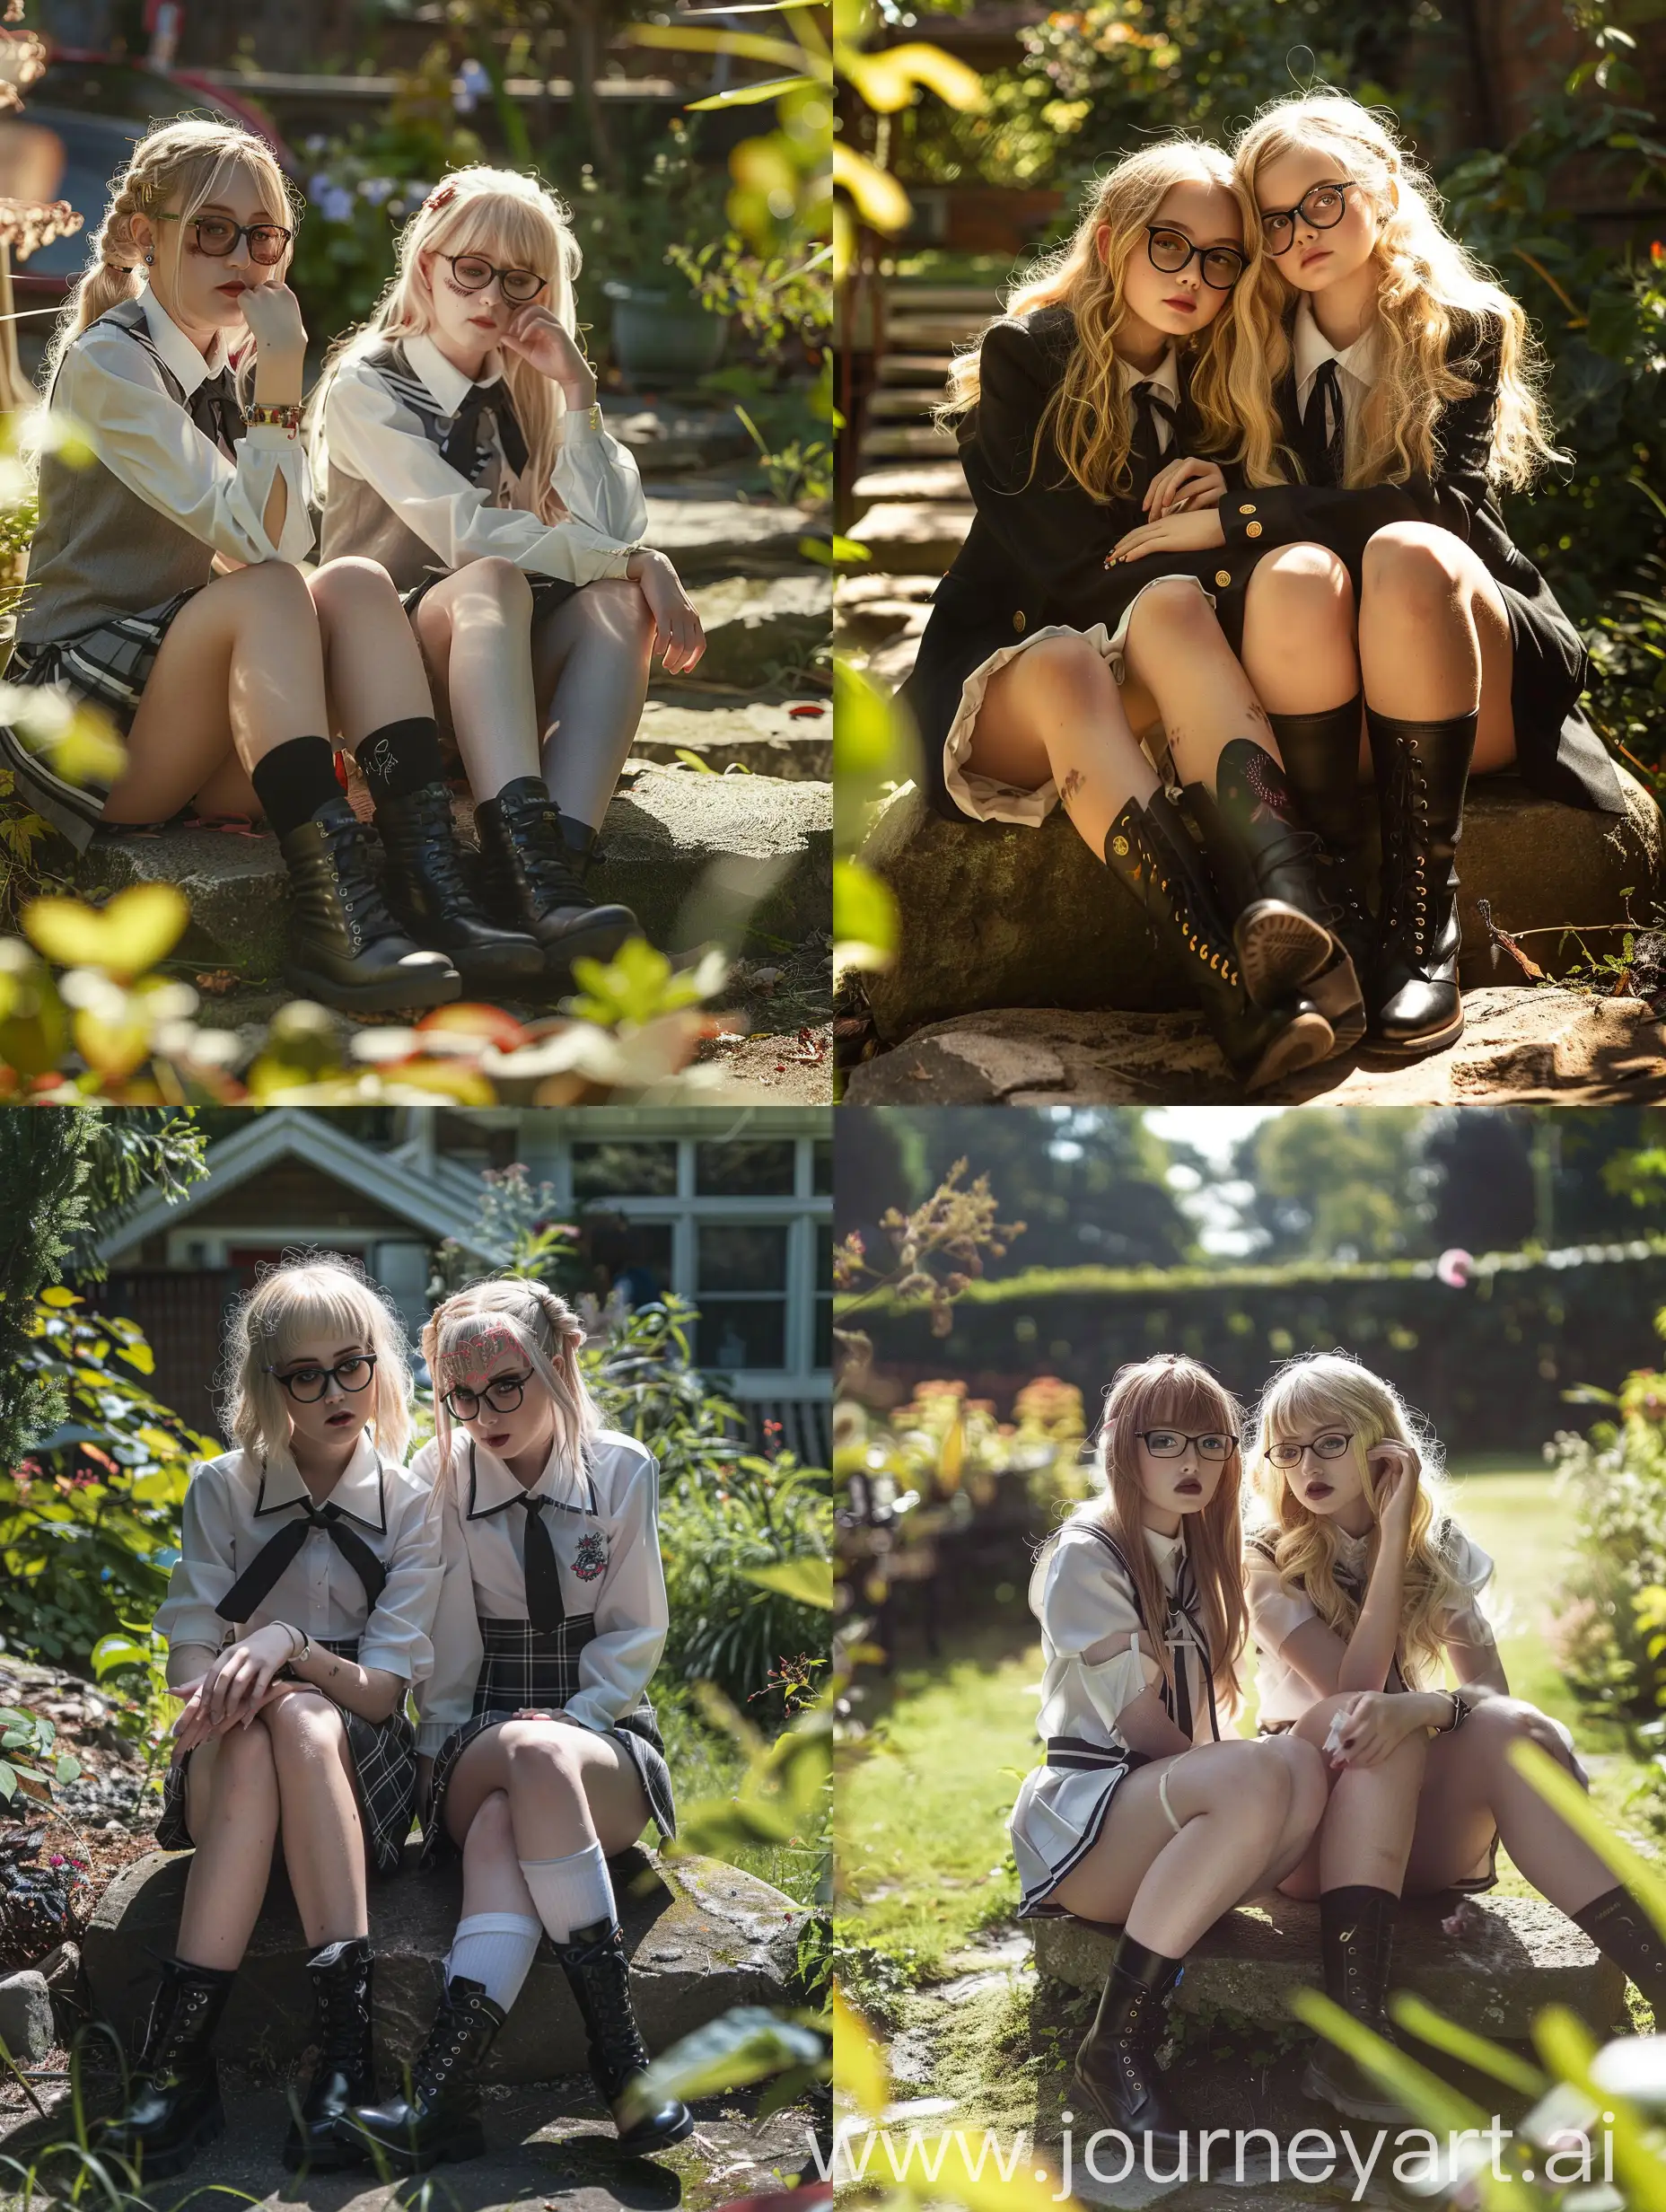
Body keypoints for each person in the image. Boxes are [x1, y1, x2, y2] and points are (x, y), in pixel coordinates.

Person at [0, 119, 542, 1009]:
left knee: (358, 583)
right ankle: (340, 921)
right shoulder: (113, 364)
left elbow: (289, 547)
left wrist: (267, 382)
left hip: (176, 712)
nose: (244, 255)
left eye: (264, 235)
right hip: (90, 723)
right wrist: (283, 376)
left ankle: (429, 887)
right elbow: (263, 552)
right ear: (145, 236)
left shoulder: (228, 364)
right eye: (213, 229)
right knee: (272, 588)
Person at [902, 139, 1365, 1093]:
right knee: (1094, 642)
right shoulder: (1024, 358)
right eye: (1169, 245)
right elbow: (1068, 569)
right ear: (1111, 244)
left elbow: (1225, 558)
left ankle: (1294, 926)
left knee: (1165, 601)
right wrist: (1202, 541)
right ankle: (1226, 984)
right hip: (1011, 682)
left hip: (1143, 665)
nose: (1194, 276)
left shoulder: (1224, 385)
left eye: (1220, 257)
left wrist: (1226, 494)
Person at [1221, 93, 1626, 1058]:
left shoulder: (1463, 326)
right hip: (1324, 699)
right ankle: (1334, 926)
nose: (1297, 233)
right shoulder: (1242, 358)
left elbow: (1435, 507)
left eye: (1320, 201)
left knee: (1404, 549)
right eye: (1272, 219)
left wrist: (1248, 508)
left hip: (1458, 674)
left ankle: (1419, 938)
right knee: (1291, 573)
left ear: (1384, 191)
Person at [310, 165, 707, 988]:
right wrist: (639, 559)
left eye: (519, 278)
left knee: (615, 608)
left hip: (499, 681)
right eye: (471, 268)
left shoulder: (529, 387)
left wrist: (576, 391)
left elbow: (615, 531)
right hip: (393, 682)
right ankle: (525, 872)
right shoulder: (367, 385)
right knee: (492, 575)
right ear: (427, 265)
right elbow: (462, 532)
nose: (492, 294)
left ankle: (546, 878)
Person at [1247, 1353, 1666, 2120]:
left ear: (1382, 1447)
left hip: (1410, 1830)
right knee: (1371, 1722)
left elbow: (1493, 1703)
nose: (1306, 1464)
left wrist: (1429, 1700)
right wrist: (1393, 1542)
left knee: (1498, 1729)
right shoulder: (1264, 1559)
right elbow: (1358, 1692)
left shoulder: (1440, 1550)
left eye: (1331, 1442)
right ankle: (1352, 2043)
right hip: (1309, 1835)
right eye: (1288, 1449)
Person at [96, 1256, 441, 2179]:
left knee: (302, 1721)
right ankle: (199, 2068)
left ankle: (304, 2064)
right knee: (261, 1729)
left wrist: (289, 1644)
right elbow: (185, 1654)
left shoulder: (412, 1504)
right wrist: (217, 1682)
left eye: (352, 1364)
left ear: (379, 1365)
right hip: (231, 1773)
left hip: (355, 1783)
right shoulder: (222, 1488)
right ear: (268, 1383)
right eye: (305, 1373)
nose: (335, 1391)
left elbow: (380, 1694)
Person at [335, 1277, 690, 2172]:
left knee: (521, 1795)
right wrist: (433, 1755)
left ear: (557, 1363)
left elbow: (635, 1630)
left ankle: (442, 2099)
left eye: (505, 1386)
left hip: (602, 1738)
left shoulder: (620, 1469)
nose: (481, 1413)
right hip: (479, 1738)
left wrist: (579, 1719)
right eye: (461, 1395)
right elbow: (443, 1650)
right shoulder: (440, 1476)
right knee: (518, 1759)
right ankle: (625, 2067)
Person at [1009, 1355, 1328, 2150]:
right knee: (1262, 1769)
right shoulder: (1089, 1552)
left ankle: (1193, 1900)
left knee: (1300, 1763)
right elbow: (1142, 1726)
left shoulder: (1199, 1551)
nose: (1193, 1464)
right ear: (1123, 1447)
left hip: (1159, 1812)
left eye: (1213, 1444)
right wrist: (1232, 1778)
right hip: (1091, 1824)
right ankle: (1116, 2046)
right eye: (1167, 1441)